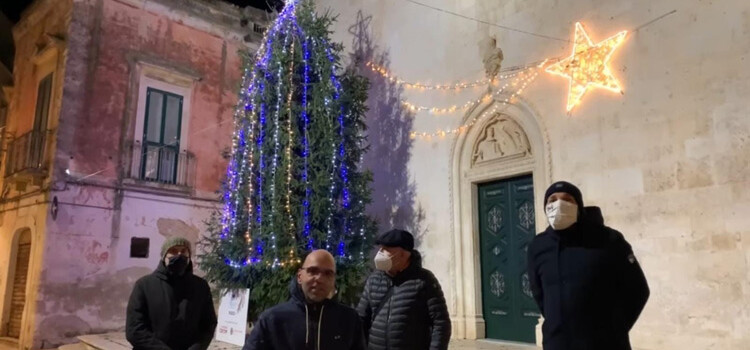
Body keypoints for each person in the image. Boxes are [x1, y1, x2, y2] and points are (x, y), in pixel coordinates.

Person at [527, 181, 650, 350]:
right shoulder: (538, 246)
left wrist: (616, 328)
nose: (559, 204)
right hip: (557, 343)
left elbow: (638, 289)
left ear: (579, 206)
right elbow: (539, 294)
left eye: (567, 199)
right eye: (552, 200)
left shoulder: (609, 240)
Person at [243, 249, 366, 350]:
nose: (320, 279)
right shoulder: (273, 319)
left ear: (334, 280)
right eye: (313, 271)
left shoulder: (349, 320)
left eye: (328, 273)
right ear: (300, 277)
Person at [357, 229, 451, 350]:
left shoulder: (424, 280)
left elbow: (441, 323)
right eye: (381, 249)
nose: (380, 253)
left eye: (386, 250)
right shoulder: (374, 279)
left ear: (403, 255)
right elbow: (361, 319)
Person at [126, 236, 217, 350]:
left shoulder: (200, 286)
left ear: (189, 257)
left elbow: (208, 324)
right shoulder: (144, 285)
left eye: (183, 251)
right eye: (173, 251)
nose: (179, 255)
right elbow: (134, 329)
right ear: (164, 256)